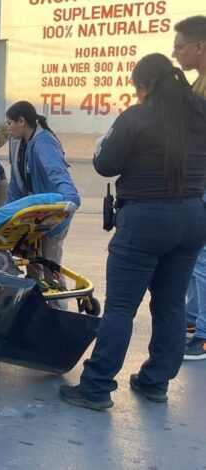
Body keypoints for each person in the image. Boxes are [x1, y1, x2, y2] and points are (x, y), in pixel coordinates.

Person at [60, 53, 206, 410]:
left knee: (122, 307)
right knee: (171, 304)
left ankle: (96, 386)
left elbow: (104, 163)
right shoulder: (201, 114)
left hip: (145, 220)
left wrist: (102, 145)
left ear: (144, 86)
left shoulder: (137, 117)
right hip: (192, 217)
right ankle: (155, 382)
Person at [5, 101, 80, 297]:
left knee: (50, 265)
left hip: (54, 213)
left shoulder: (44, 143)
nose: (8, 128)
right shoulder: (16, 143)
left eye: (9, 123)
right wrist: (6, 212)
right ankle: (37, 311)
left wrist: (71, 199)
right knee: (32, 265)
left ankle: (59, 310)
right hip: (32, 215)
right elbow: (16, 181)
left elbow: (57, 173)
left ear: (22, 121)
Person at [173, 15, 206, 359]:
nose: (175, 54)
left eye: (179, 47)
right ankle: (194, 321)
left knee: (202, 259)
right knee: (197, 255)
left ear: (199, 46)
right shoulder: (198, 84)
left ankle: (203, 336)